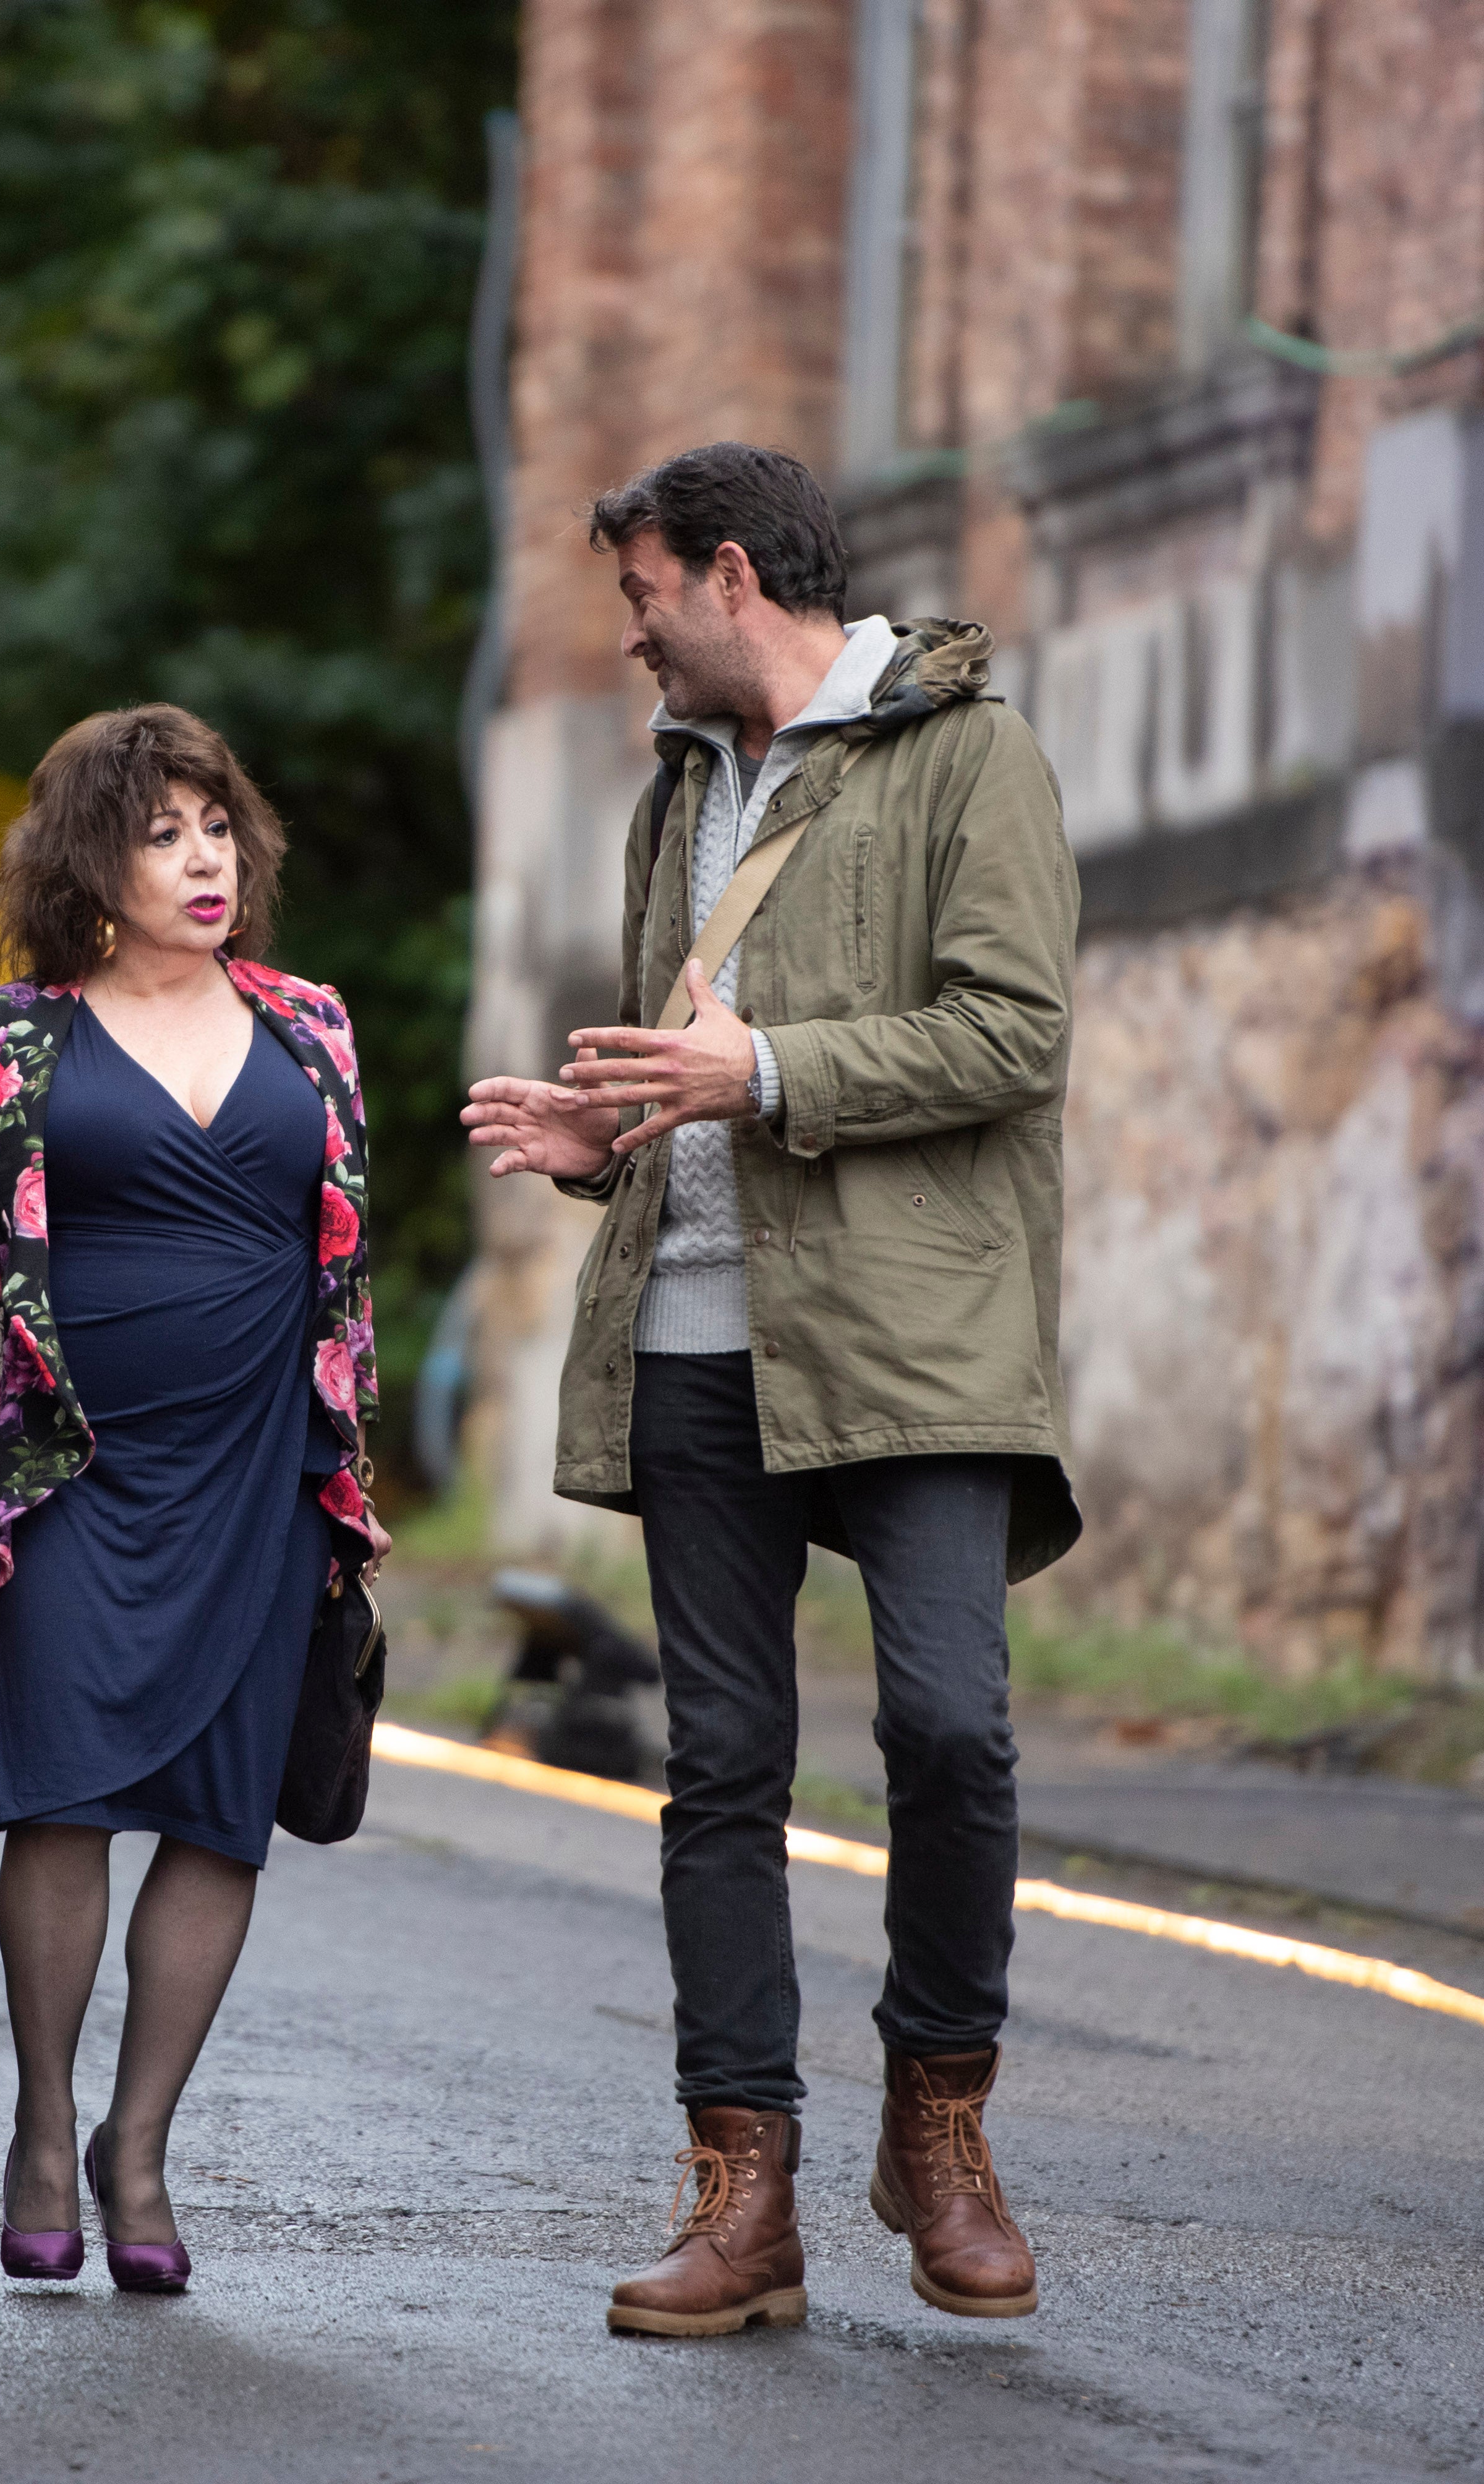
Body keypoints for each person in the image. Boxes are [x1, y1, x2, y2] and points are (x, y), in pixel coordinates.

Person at [461, 442, 1081, 2337]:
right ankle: (745, 2196)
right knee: (716, 1767)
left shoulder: (964, 753)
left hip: (916, 1338)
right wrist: (605, 1134)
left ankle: (941, 2121)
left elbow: (1015, 1029)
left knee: (951, 1729)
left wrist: (768, 1079)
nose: (627, 636)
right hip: (694, 1336)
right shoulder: (678, 789)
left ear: (730, 574)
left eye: (641, 594)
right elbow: (693, 1060)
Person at [0, 706, 387, 2295]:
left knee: (216, 1813)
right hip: (72, 1464)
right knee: (60, 1790)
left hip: (264, 1466)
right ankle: (44, 2126)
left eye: (215, 829)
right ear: (91, 862)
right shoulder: (14, 1037)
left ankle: (140, 2146)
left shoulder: (309, 1023)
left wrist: (348, 1474)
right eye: (160, 834)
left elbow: (344, 1268)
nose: (201, 861)